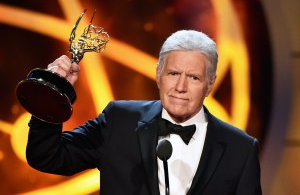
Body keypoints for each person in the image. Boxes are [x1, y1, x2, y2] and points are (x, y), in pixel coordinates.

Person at [26, 30, 262, 195]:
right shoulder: (119, 121)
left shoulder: (240, 149)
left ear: (210, 84)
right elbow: (47, 156)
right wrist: (50, 93)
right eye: (173, 74)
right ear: (158, 74)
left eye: (194, 77)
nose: (180, 87)